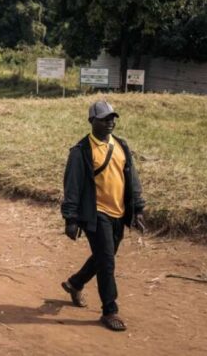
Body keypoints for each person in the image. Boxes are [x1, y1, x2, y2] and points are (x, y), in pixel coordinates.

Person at [60, 101, 146, 332]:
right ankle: (110, 310)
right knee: (107, 262)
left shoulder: (121, 145)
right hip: (96, 214)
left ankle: (75, 283)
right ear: (92, 121)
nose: (111, 122)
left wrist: (137, 209)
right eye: (105, 119)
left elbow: (132, 178)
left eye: (113, 118)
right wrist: (70, 219)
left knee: (103, 256)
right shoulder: (81, 151)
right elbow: (72, 186)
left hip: (119, 212)